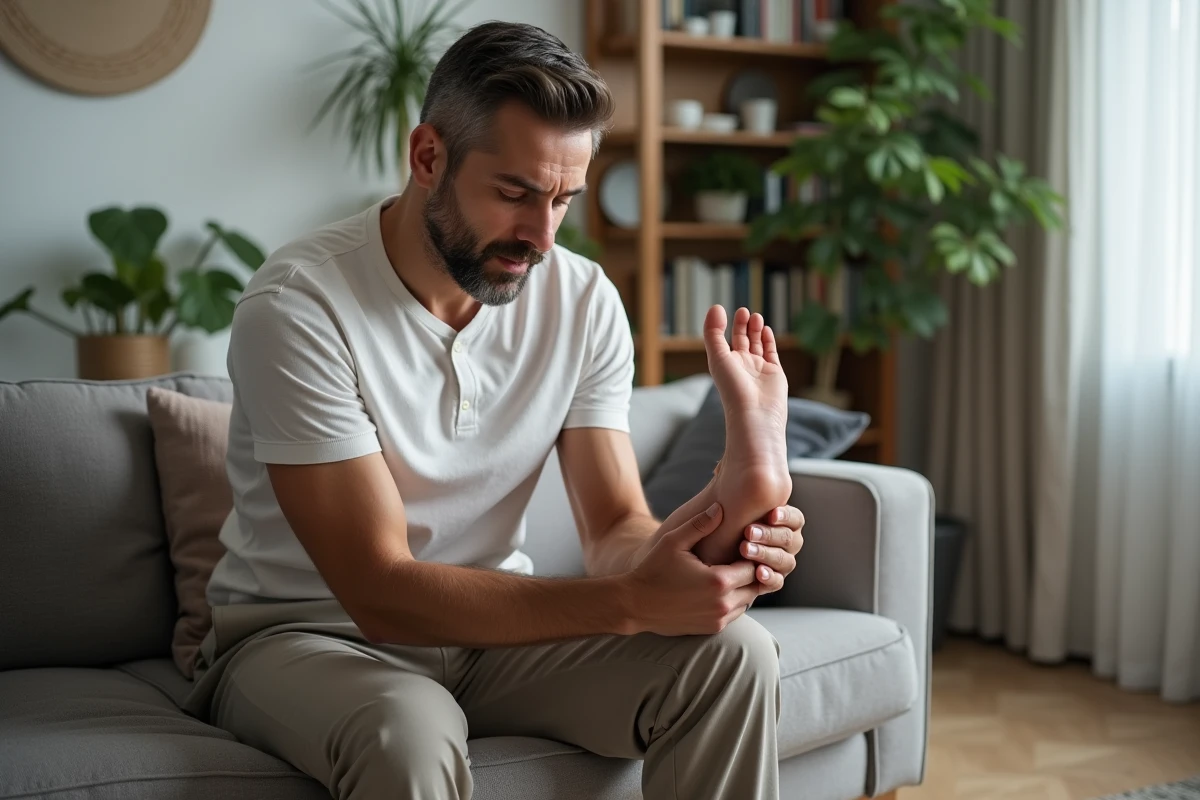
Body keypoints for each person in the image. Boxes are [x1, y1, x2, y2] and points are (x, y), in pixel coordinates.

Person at [184, 20, 805, 800]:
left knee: (735, 656)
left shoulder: (582, 301)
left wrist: (720, 514)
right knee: (404, 730)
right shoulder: (301, 307)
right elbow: (377, 588)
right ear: (427, 157)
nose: (541, 236)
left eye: (564, 200)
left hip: (496, 638)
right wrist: (626, 602)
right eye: (514, 193)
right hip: (309, 636)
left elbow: (615, 531)